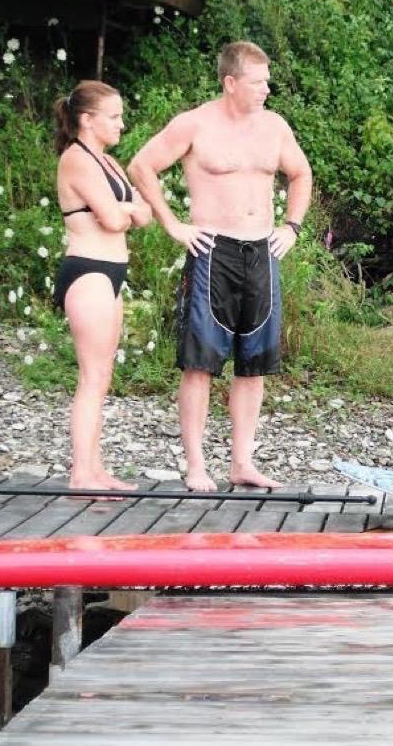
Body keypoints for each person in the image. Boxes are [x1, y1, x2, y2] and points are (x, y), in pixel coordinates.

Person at [128, 42, 313, 492]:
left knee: (254, 363)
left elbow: (301, 174)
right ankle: (196, 465)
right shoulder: (195, 124)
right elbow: (142, 166)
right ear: (231, 83)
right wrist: (173, 224)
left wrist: (291, 226)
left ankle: (242, 463)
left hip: (262, 251)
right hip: (213, 251)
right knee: (200, 362)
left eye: (268, 81)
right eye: (258, 82)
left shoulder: (274, 127)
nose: (267, 89)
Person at [52, 80, 152, 494]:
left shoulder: (107, 162)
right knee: (92, 376)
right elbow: (113, 220)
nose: (121, 124)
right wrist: (126, 209)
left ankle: (95, 469)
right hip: (88, 271)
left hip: (111, 272)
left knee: (103, 376)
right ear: (87, 120)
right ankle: (81, 473)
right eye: (113, 117)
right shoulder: (76, 159)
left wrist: (125, 209)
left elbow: (143, 214)